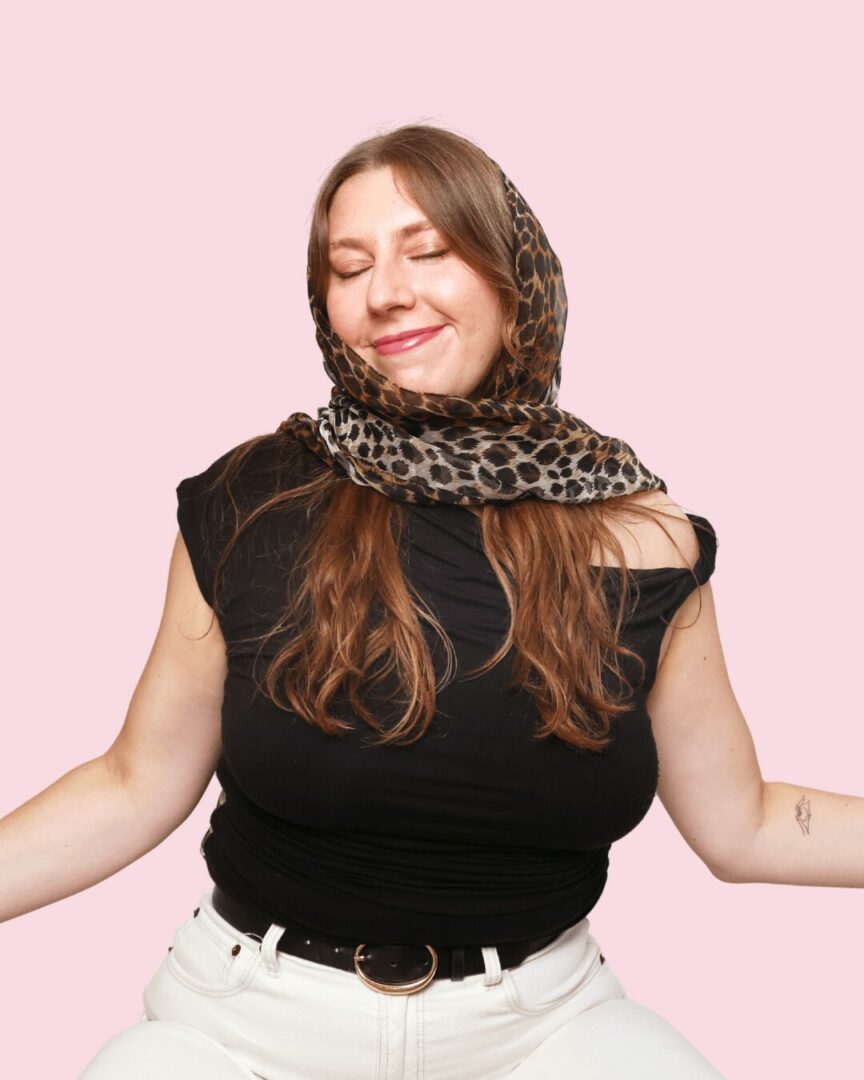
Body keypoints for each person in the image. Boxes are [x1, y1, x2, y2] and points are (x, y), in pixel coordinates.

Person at [11, 121, 846, 1079]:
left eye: (429, 250)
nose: (385, 292)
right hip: (242, 1023)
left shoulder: (642, 537)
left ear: (512, 274)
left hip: (539, 1026)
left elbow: (744, 824)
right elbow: (133, 784)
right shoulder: (252, 499)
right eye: (349, 266)